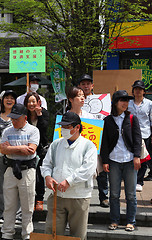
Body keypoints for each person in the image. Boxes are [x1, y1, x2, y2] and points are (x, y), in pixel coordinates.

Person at [41, 112, 97, 240]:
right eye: (62, 126)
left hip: (79, 196)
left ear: (77, 128)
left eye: (67, 126)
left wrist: (69, 181)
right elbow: (47, 164)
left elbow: (88, 169)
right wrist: (47, 176)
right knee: (52, 233)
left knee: (78, 235)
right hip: (57, 196)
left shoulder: (88, 146)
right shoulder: (56, 144)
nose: (64, 130)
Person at [101, 90, 142, 232]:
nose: (125, 103)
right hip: (113, 161)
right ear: (115, 102)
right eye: (122, 100)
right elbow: (104, 142)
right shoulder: (107, 120)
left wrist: (137, 156)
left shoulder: (131, 118)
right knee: (114, 194)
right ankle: (114, 220)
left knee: (131, 194)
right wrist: (105, 160)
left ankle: (131, 221)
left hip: (130, 160)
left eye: (127, 100)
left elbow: (137, 139)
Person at [0, 103, 40, 240]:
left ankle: (27, 234)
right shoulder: (7, 131)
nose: (14, 121)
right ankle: (7, 233)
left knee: (27, 205)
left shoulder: (33, 130)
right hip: (11, 168)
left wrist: (11, 148)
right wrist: (21, 148)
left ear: (25, 118)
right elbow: (2, 150)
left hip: (27, 170)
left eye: (17, 118)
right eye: (12, 118)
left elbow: (31, 150)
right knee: (9, 204)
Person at [78, 74, 109, 208]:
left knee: (100, 168)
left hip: (97, 137)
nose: (86, 86)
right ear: (79, 86)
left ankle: (103, 197)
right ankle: (81, 195)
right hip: (80, 139)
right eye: (83, 84)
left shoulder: (101, 101)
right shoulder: (76, 100)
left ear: (92, 85)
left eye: (88, 84)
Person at [0, 90, 17, 222]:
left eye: (12, 98)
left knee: (16, 183)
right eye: (7, 98)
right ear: (2, 100)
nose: (9, 100)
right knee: (2, 184)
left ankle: (16, 214)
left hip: (15, 154)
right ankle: (3, 213)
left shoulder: (18, 116)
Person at [24, 92, 49, 211]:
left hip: (40, 150)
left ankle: (39, 199)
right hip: (26, 148)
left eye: (34, 101)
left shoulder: (44, 113)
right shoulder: (24, 115)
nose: (31, 104)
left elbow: (44, 131)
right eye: (29, 101)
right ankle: (29, 199)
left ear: (38, 102)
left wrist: (39, 115)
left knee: (39, 175)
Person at [128, 80, 152, 192]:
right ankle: (131, 179)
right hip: (131, 134)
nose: (138, 91)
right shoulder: (128, 103)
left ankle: (139, 181)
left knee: (143, 158)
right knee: (131, 157)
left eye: (140, 89)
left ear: (144, 91)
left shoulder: (149, 104)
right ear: (133, 91)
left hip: (145, 133)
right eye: (135, 89)